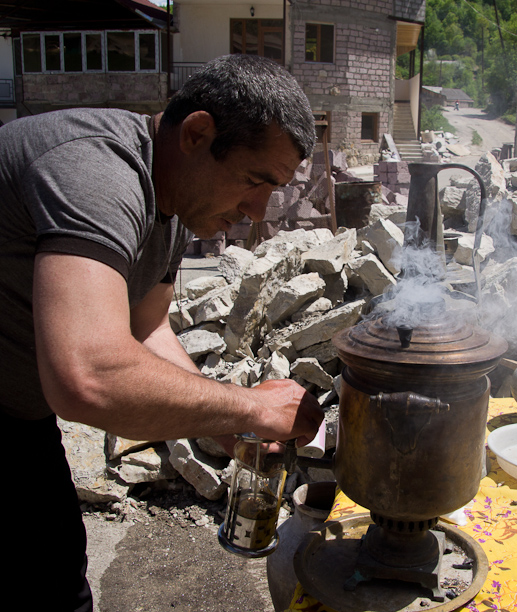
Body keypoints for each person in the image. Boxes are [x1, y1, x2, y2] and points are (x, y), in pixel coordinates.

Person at [0, 55, 325, 611]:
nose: (257, 210)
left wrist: (228, 423)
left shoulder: (171, 203)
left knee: (59, 584)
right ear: (197, 133)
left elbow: (146, 326)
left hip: (19, 415)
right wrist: (251, 407)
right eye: (254, 181)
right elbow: (88, 377)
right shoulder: (97, 173)